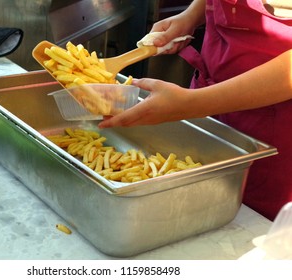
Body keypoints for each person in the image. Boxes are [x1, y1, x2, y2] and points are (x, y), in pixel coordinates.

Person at [98, 0, 292, 221]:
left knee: (247, 230)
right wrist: (191, 16)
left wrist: (191, 104)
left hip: (274, 129)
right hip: (207, 91)